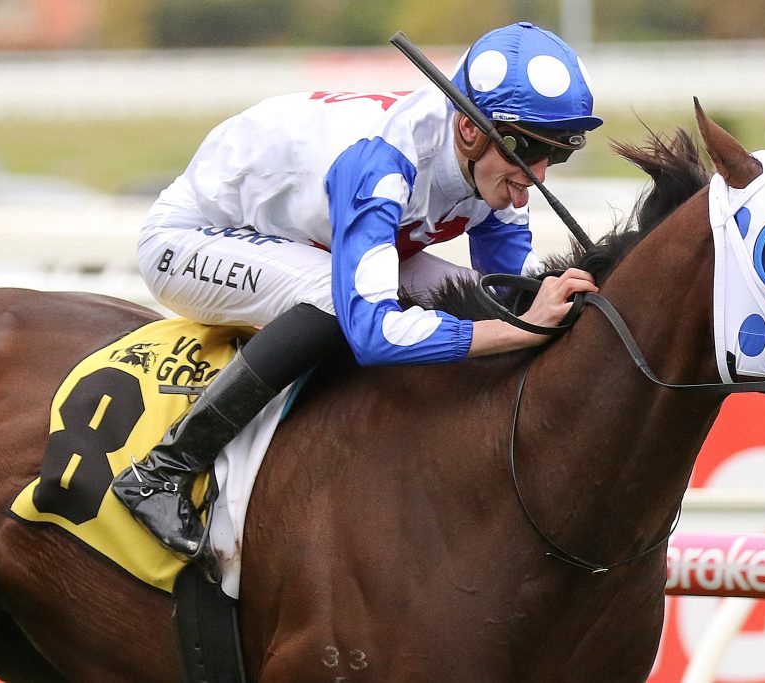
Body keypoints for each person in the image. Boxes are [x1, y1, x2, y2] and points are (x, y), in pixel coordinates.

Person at [112, 22, 603, 559]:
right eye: (526, 150)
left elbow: (509, 299)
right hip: (191, 239)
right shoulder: (383, 163)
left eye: (555, 154)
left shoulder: (497, 166)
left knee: (475, 298)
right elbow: (372, 333)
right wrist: (514, 330)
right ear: (469, 129)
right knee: (337, 299)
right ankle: (165, 468)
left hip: (307, 239)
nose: (537, 176)